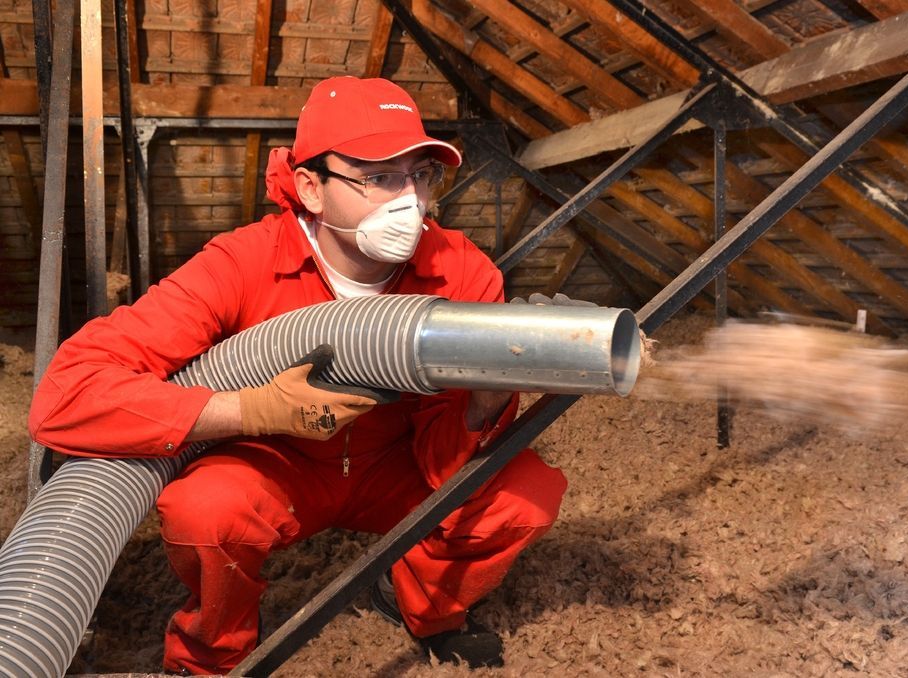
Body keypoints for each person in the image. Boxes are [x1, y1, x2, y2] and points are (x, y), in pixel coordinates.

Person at [28, 76, 568, 675]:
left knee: (522, 496)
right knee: (206, 511)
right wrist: (250, 412)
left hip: (394, 460)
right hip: (273, 462)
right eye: (379, 178)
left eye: (420, 175)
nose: (409, 202)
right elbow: (65, 394)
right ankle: (216, 650)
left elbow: (447, 458)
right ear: (311, 187)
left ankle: (418, 604)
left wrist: (486, 400)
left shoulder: (463, 274)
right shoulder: (241, 263)